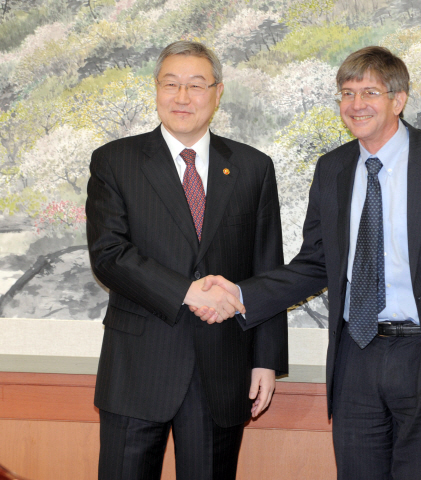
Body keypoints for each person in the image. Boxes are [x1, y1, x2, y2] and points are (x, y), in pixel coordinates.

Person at [196, 46, 421, 479]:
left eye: (369, 92)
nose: (355, 104)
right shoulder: (332, 169)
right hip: (354, 355)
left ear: (398, 100)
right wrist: (241, 293)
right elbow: (314, 264)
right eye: (346, 93)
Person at [86, 41, 288, 480]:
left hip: (221, 369)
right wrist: (186, 291)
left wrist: (266, 360)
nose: (182, 97)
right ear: (156, 90)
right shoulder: (115, 161)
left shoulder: (254, 167)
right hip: (138, 367)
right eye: (171, 84)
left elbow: (267, 269)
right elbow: (109, 254)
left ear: (218, 92)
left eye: (196, 85)